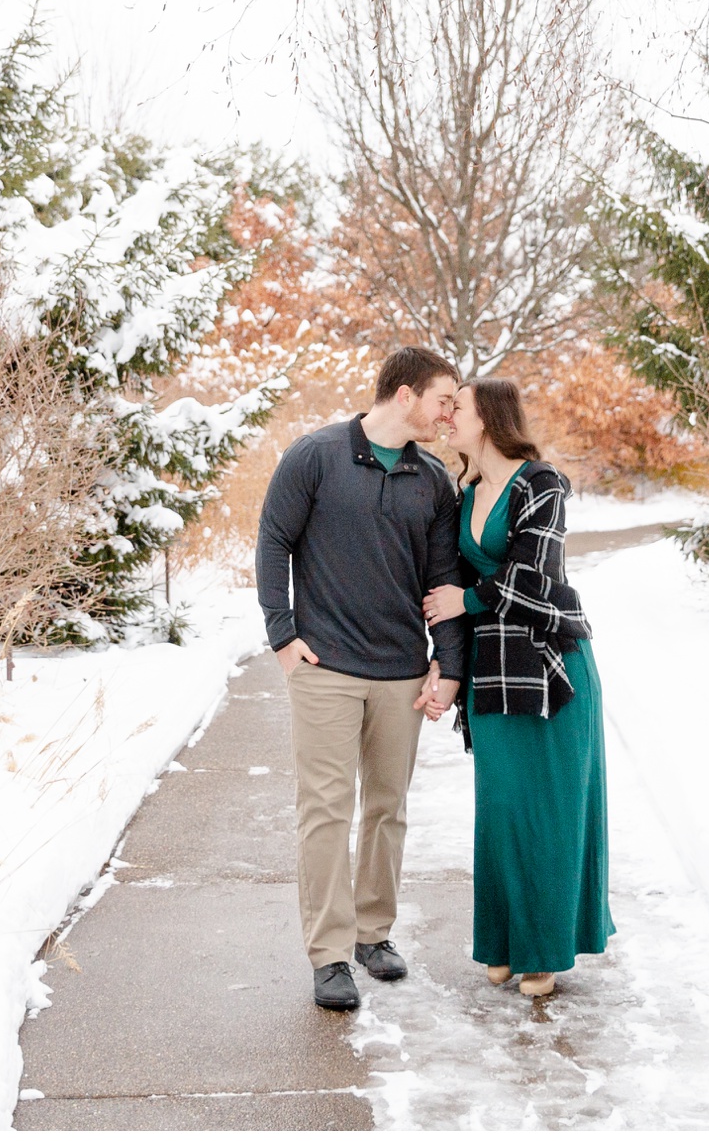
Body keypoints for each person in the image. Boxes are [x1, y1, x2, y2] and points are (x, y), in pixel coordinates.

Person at [256, 345, 469, 1011]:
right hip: (325, 671)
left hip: (401, 674)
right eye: (444, 399)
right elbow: (272, 542)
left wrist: (449, 666)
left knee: (387, 808)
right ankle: (329, 953)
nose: (451, 413)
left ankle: (373, 934)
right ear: (404, 394)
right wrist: (283, 636)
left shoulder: (432, 480)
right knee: (325, 809)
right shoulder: (314, 456)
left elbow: (444, 580)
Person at [423, 377, 614, 998]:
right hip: (492, 668)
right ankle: (503, 941)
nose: (448, 416)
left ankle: (544, 952)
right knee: (501, 810)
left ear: (490, 419)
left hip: (550, 668)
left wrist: (466, 599)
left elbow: (535, 575)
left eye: (460, 408)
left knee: (548, 812)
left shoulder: (542, 484)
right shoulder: (465, 489)